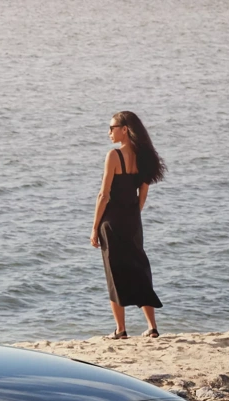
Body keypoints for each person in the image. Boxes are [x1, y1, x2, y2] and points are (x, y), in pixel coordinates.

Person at [90, 110, 167, 339]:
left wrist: (94, 227)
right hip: (133, 221)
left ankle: (120, 330)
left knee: (114, 274)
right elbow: (142, 195)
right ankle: (152, 327)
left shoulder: (114, 156)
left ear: (124, 129)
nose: (109, 133)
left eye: (112, 128)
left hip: (111, 223)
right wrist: (132, 216)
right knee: (139, 271)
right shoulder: (145, 157)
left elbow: (103, 195)